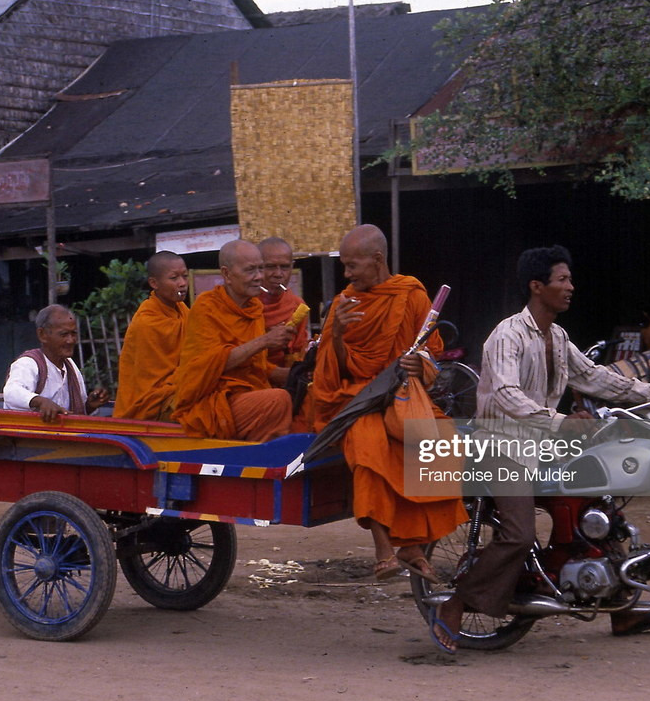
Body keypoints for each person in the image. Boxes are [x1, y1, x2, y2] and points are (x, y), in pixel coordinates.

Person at [429, 245, 650, 654]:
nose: (570, 287)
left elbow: (595, 377)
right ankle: (455, 605)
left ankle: (620, 605)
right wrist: (560, 422)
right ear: (536, 286)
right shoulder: (507, 335)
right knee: (519, 534)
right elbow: (506, 394)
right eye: (562, 279)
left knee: (599, 504)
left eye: (569, 279)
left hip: (542, 446)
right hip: (500, 448)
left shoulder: (557, 337)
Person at [311, 224, 467, 582]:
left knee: (444, 441)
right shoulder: (344, 304)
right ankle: (383, 550)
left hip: (400, 396)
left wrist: (419, 364)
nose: (347, 274)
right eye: (344, 266)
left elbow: (432, 352)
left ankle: (413, 545)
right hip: (356, 400)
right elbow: (333, 373)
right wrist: (336, 335)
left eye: (352, 266)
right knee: (368, 445)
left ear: (377, 259)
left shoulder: (411, 295)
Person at [171, 240, 295, 441]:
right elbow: (211, 364)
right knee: (277, 400)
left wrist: (296, 374)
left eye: (261, 269)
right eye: (250, 270)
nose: (259, 277)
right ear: (227, 274)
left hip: (250, 391)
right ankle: (260, 458)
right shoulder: (207, 307)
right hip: (214, 399)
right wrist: (264, 341)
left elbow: (256, 367)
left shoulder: (254, 308)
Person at [113, 251, 190, 421]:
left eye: (185, 276)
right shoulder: (147, 321)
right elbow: (152, 379)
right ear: (154, 283)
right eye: (174, 278)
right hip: (153, 401)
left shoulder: (183, 311)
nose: (183, 283)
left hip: (180, 386)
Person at [3, 304, 108, 422]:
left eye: (73, 334)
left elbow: (74, 411)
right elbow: (11, 392)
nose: (71, 340)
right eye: (64, 334)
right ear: (42, 335)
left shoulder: (70, 366)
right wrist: (41, 402)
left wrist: (90, 406)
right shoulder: (28, 363)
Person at [257, 237, 310, 369]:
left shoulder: (297, 305)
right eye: (270, 267)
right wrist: (265, 340)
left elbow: (298, 352)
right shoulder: (245, 303)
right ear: (257, 267)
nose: (278, 274)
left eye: (285, 267)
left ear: (292, 266)